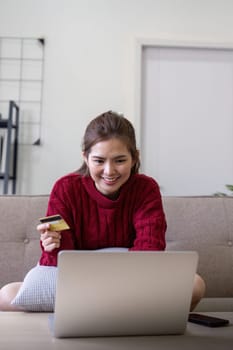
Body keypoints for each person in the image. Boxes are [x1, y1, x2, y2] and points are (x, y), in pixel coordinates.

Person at [0, 111, 205, 311]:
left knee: (195, 285)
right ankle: (119, 308)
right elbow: (58, 262)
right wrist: (50, 245)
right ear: (86, 157)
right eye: (99, 161)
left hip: (131, 277)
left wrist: (111, 279)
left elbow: (149, 252)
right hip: (77, 279)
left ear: (134, 158)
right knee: (6, 295)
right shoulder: (65, 188)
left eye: (120, 160)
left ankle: (109, 309)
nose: (109, 171)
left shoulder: (146, 188)